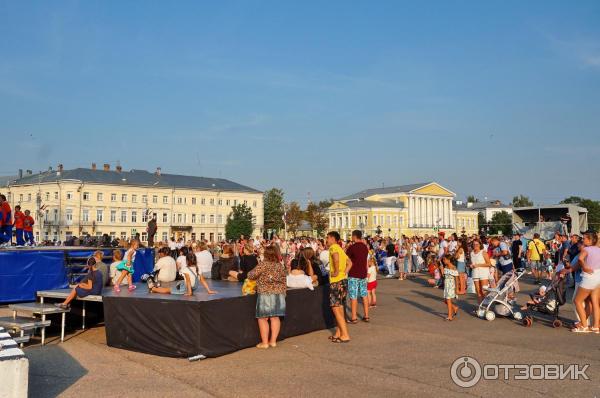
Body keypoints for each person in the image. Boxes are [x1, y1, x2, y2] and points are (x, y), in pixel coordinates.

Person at [247, 245, 287, 349]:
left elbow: (251, 275)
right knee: (275, 317)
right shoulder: (280, 266)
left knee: (263, 318)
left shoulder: (263, 265)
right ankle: (273, 341)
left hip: (265, 294)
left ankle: (265, 343)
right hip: (279, 294)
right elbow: (284, 280)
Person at [571, 232, 600, 333]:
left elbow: (580, 259)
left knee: (577, 301)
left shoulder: (586, 249)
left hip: (589, 277)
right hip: (598, 276)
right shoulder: (599, 249)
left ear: (590, 240)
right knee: (595, 303)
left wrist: (585, 267)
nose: (583, 240)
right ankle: (596, 326)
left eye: (584, 239)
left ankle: (584, 326)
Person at [327, 231, 353, 343]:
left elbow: (335, 258)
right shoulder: (341, 249)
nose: (326, 240)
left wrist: (336, 271)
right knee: (340, 307)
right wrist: (344, 273)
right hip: (343, 280)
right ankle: (339, 332)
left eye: (327, 238)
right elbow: (350, 263)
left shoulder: (333, 248)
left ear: (333, 238)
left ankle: (345, 334)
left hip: (336, 281)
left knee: (335, 308)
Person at [150, 252, 216, 295]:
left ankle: (153, 288)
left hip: (186, 288)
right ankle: (157, 288)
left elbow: (188, 281)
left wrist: (189, 293)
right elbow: (203, 280)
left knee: (168, 290)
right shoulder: (198, 268)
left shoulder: (185, 269)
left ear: (187, 261)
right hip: (194, 287)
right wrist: (209, 291)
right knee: (173, 287)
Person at [346, 230, 370, 323]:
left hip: (353, 274)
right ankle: (366, 315)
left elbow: (346, 258)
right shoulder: (365, 247)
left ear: (354, 236)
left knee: (353, 296)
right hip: (363, 274)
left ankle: (354, 317)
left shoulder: (352, 247)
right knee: (364, 295)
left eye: (352, 236)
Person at [470, 240, 492, 304]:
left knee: (484, 290)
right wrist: (470, 265)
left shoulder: (483, 252)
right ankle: (480, 307)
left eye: (477, 244)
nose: (475, 246)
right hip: (475, 273)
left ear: (480, 245)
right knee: (478, 291)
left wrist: (478, 265)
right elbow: (471, 263)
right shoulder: (471, 253)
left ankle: (486, 306)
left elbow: (489, 264)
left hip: (483, 273)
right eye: (474, 244)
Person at [441, 254, 459, 321]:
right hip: (446, 285)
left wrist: (456, 289)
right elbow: (443, 276)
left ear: (449, 260)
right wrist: (441, 270)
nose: (443, 261)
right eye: (443, 259)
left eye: (444, 259)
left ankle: (450, 316)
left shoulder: (453, 268)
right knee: (445, 300)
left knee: (448, 300)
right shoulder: (445, 267)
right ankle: (454, 308)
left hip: (451, 285)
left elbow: (457, 279)